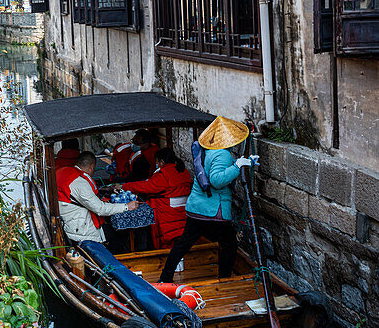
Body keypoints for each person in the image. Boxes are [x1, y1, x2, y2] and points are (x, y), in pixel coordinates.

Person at [158, 116, 254, 283]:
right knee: (230, 245)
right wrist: (238, 166)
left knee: (183, 244)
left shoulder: (207, 151)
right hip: (213, 210)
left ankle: (165, 277)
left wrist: (243, 163)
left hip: (196, 209)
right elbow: (217, 181)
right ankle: (224, 279)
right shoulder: (223, 155)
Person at [56, 152, 137, 244]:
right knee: (120, 234)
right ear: (91, 166)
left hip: (68, 222)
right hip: (80, 230)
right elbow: (100, 209)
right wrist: (126, 206)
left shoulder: (65, 172)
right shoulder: (79, 182)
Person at [121, 147, 193, 250]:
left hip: (167, 215)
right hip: (182, 212)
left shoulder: (164, 174)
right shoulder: (184, 171)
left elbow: (146, 186)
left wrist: (125, 186)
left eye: (157, 162)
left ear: (162, 161)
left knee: (168, 242)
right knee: (180, 240)